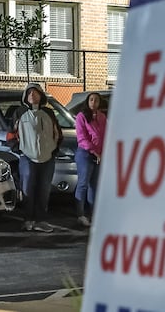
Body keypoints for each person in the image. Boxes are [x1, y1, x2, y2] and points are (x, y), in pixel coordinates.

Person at [14, 83, 62, 233]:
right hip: (27, 157)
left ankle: (41, 220)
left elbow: (57, 133)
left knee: (44, 190)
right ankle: (28, 219)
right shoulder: (20, 113)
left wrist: (54, 150)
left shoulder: (49, 113)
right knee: (28, 189)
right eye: (29, 94)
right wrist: (19, 149)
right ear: (25, 97)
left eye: (35, 93)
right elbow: (11, 134)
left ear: (41, 96)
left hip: (47, 158)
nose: (32, 96)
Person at [74, 92, 107, 227]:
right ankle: (80, 214)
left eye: (96, 100)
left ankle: (94, 214)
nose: (94, 102)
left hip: (99, 154)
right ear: (87, 102)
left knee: (95, 185)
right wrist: (94, 151)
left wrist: (102, 152)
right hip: (85, 154)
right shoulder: (81, 117)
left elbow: (105, 135)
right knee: (83, 183)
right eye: (91, 100)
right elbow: (82, 138)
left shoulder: (102, 117)